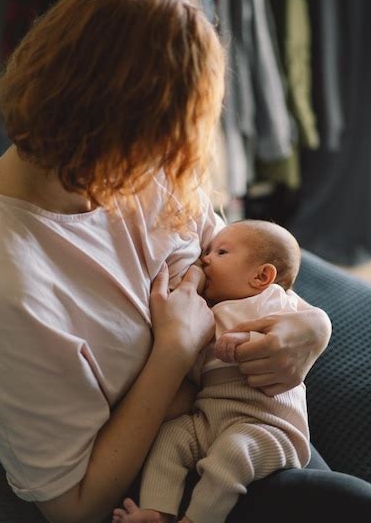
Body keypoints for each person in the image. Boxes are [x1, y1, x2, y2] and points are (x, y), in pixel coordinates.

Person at [0, 0, 371, 523]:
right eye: (159, 147)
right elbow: (73, 506)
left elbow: (235, 254)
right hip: (162, 472)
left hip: (234, 405)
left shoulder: (144, 168)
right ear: (109, 133)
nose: (171, 167)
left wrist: (312, 326)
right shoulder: (17, 285)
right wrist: (173, 350)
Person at [113, 219, 312, 523]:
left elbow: (297, 331)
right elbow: (192, 368)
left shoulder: (273, 300)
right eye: (208, 250)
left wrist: (247, 340)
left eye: (221, 252)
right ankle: (157, 511)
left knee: (233, 453)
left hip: (266, 427)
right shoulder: (207, 311)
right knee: (171, 437)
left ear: (261, 276)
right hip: (211, 419)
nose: (205, 258)